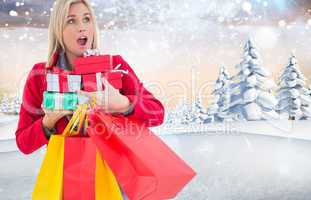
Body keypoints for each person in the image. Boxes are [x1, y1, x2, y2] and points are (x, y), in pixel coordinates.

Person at [15, 0, 164, 157]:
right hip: (66, 176)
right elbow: (23, 143)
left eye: (87, 19)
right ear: (58, 30)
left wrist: (124, 105)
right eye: (71, 21)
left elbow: (157, 113)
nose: (82, 27)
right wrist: (47, 122)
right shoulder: (40, 75)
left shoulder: (115, 66)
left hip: (113, 175)